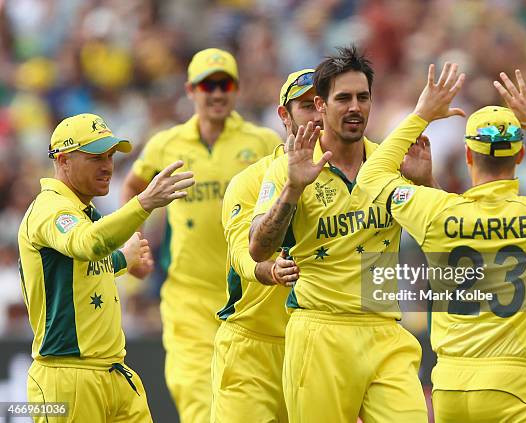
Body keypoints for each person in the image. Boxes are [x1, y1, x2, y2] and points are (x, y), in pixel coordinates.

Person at [357, 63, 526, 422]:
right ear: (520, 155)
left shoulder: (436, 212)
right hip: (516, 386)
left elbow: (372, 176)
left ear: (469, 156)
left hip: (450, 387)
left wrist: (421, 115)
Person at [249, 46, 428, 422]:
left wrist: (429, 182)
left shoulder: (391, 163)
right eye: (343, 98)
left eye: (363, 97)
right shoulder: (290, 167)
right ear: (321, 105)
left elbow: (444, 237)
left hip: (384, 330)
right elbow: (257, 247)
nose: (355, 107)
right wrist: (293, 189)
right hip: (320, 332)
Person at [120, 48, 281, 422]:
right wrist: (133, 241)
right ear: (190, 90)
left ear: (237, 89)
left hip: (248, 300)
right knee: (199, 402)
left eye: (225, 83)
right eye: (207, 85)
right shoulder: (167, 144)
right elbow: (133, 186)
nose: (217, 93)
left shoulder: (260, 142)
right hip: (188, 299)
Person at [17, 113, 194, 422]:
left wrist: (125, 260)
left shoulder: (84, 210)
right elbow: (89, 244)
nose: (108, 166)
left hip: (115, 372)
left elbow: (88, 263)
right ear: (63, 160)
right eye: (96, 156)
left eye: (111, 155)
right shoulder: (50, 209)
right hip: (67, 378)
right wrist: (144, 203)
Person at [211, 68, 320, 423]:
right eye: (305, 106)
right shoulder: (251, 181)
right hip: (251, 348)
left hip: (315, 350)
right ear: (284, 115)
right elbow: (242, 253)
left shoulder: (357, 176)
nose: (317, 115)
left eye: (321, 103)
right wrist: (267, 269)